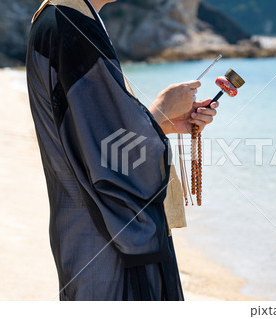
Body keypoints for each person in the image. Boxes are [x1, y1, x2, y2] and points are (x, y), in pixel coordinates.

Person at [26, 0, 218, 301]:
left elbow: (94, 134)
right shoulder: (72, 25)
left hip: (84, 230)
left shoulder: (62, 17)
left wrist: (162, 122)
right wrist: (160, 110)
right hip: (110, 239)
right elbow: (111, 154)